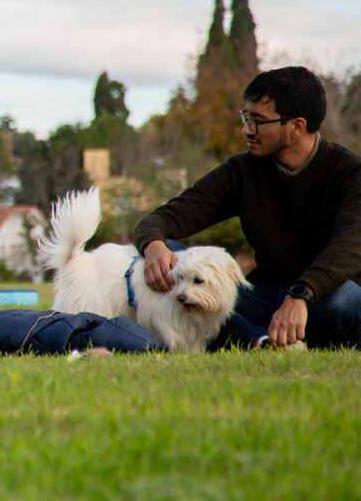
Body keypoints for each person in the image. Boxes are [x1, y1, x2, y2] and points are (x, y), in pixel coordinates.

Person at [134, 66, 360, 350]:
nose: (246, 130)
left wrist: (303, 293)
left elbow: (350, 245)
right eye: (246, 118)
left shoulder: (350, 173)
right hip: (264, 297)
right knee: (177, 269)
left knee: (346, 300)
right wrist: (153, 245)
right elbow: (166, 218)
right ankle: (258, 340)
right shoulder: (242, 171)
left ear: (297, 127)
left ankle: (271, 336)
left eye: (258, 121)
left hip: (325, 298)